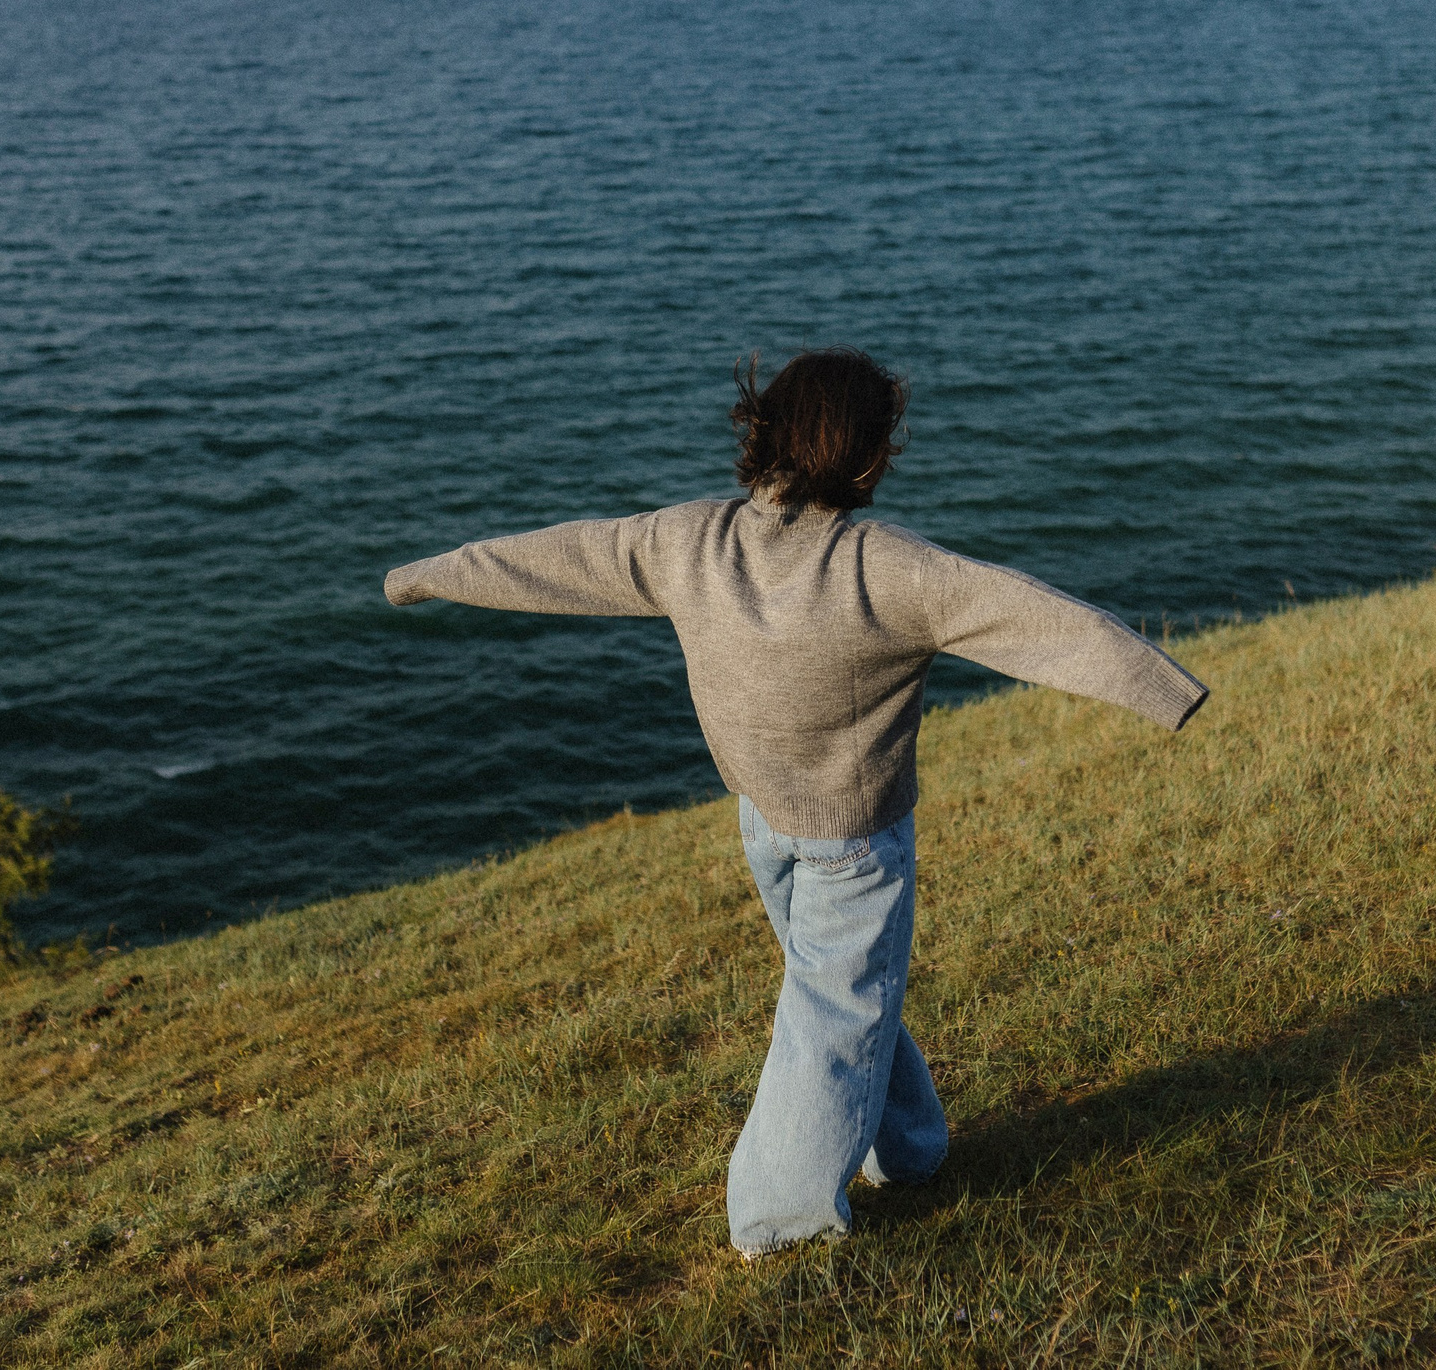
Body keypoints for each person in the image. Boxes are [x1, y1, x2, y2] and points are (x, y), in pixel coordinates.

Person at [383, 347, 1208, 1256]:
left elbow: (564, 556)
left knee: (846, 996)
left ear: (763, 429)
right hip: (852, 844)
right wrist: (1165, 687)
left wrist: (432, 570)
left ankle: (911, 1150)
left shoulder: (688, 540)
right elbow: (1036, 618)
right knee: (833, 1017)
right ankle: (780, 1224)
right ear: (864, 458)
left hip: (763, 822)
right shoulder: (886, 569)